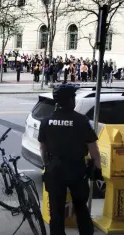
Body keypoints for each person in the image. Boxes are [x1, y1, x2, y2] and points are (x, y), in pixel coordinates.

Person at [38, 83, 102, 235]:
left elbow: (42, 148)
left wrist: (47, 165)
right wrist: (98, 170)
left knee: (56, 211)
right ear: (69, 100)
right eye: (73, 97)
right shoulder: (81, 121)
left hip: (55, 169)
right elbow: (94, 151)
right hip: (77, 170)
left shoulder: (46, 121)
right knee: (81, 208)